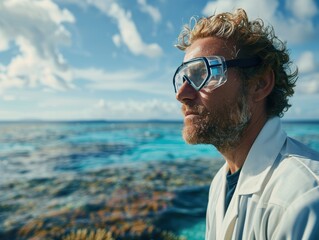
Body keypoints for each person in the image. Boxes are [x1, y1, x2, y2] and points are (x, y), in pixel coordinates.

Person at [173, 8, 319, 240]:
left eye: (202, 73)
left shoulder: (305, 197)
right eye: (183, 77)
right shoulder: (220, 183)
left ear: (260, 84)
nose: (182, 93)